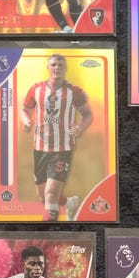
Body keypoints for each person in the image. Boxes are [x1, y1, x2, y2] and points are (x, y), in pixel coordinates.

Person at [21, 54, 92, 221]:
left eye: (60, 65)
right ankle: (70, 203)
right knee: (43, 197)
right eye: (53, 64)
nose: (57, 68)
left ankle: (49, 228)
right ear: (48, 67)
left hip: (62, 149)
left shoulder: (74, 92)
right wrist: (26, 121)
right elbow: (24, 110)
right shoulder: (36, 89)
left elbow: (87, 115)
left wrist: (79, 128)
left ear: (65, 68)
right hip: (40, 148)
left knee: (51, 194)